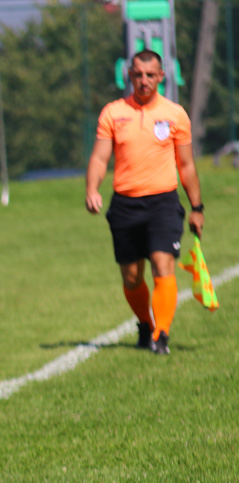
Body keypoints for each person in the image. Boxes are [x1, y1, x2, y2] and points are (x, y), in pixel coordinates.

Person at [85, 49, 205, 355]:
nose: (144, 81)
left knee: (163, 264)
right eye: (138, 74)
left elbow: (187, 166)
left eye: (151, 75)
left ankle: (161, 335)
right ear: (129, 75)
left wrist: (197, 207)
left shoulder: (176, 114)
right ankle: (145, 323)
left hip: (163, 202)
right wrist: (92, 188)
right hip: (125, 204)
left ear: (162, 77)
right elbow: (100, 158)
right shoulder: (113, 113)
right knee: (132, 277)